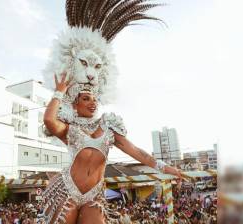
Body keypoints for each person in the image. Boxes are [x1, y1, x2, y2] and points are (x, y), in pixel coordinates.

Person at [39, 73, 182, 224]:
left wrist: (166, 168)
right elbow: (49, 119)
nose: (92, 103)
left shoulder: (108, 127)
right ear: (75, 104)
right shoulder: (70, 129)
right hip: (67, 190)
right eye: (86, 99)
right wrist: (59, 91)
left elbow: (136, 152)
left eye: (94, 99)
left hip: (93, 195)